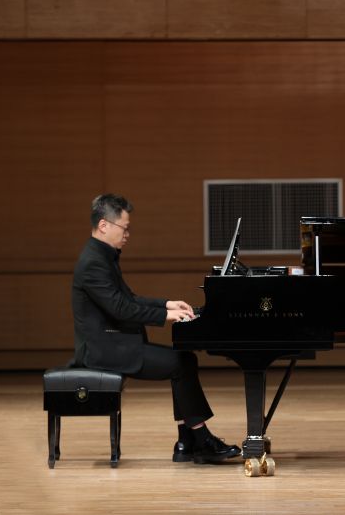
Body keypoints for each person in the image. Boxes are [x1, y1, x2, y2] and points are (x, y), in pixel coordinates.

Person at [72, 193, 241, 464]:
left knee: (183, 360)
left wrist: (166, 303)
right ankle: (201, 440)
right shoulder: (94, 262)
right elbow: (121, 309)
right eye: (124, 228)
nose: (127, 234)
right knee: (181, 363)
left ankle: (187, 441)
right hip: (104, 351)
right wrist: (166, 315)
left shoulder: (101, 256)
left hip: (113, 345)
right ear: (104, 225)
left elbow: (128, 298)